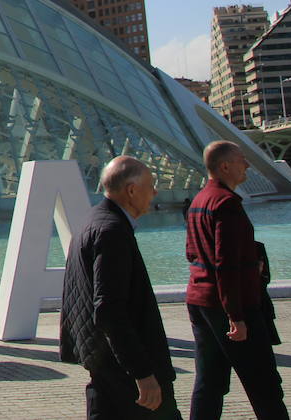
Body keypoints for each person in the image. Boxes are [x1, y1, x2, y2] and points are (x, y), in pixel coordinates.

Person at [61, 155, 181, 418]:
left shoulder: (90, 221)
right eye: (151, 185)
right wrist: (142, 372)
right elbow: (109, 309)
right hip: (125, 369)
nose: (155, 192)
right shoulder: (112, 231)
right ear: (131, 190)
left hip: (101, 360)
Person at [185, 140, 287, 419]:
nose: (248, 164)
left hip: (200, 301)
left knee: (209, 381)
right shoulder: (226, 204)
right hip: (232, 306)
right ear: (225, 166)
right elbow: (226, 264)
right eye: (242, 159)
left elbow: (191, 253)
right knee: (264, 384)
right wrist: (236, 315)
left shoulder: (199, 201)